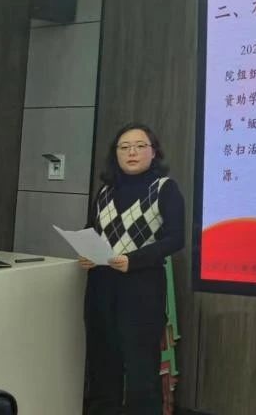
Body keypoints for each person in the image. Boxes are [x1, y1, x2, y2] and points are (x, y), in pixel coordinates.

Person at [81, 123, 186, 415]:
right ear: (115, 154)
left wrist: (134, 260)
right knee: (102, 370)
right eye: (124, 147)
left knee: (142, 377)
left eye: (140, 146)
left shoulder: (165, 189)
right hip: (101, 288)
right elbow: (93, 230)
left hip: (142, 291)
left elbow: (176, 239)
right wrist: (86, 253)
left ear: (154, 153)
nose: (132, 152)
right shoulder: (105, 191)